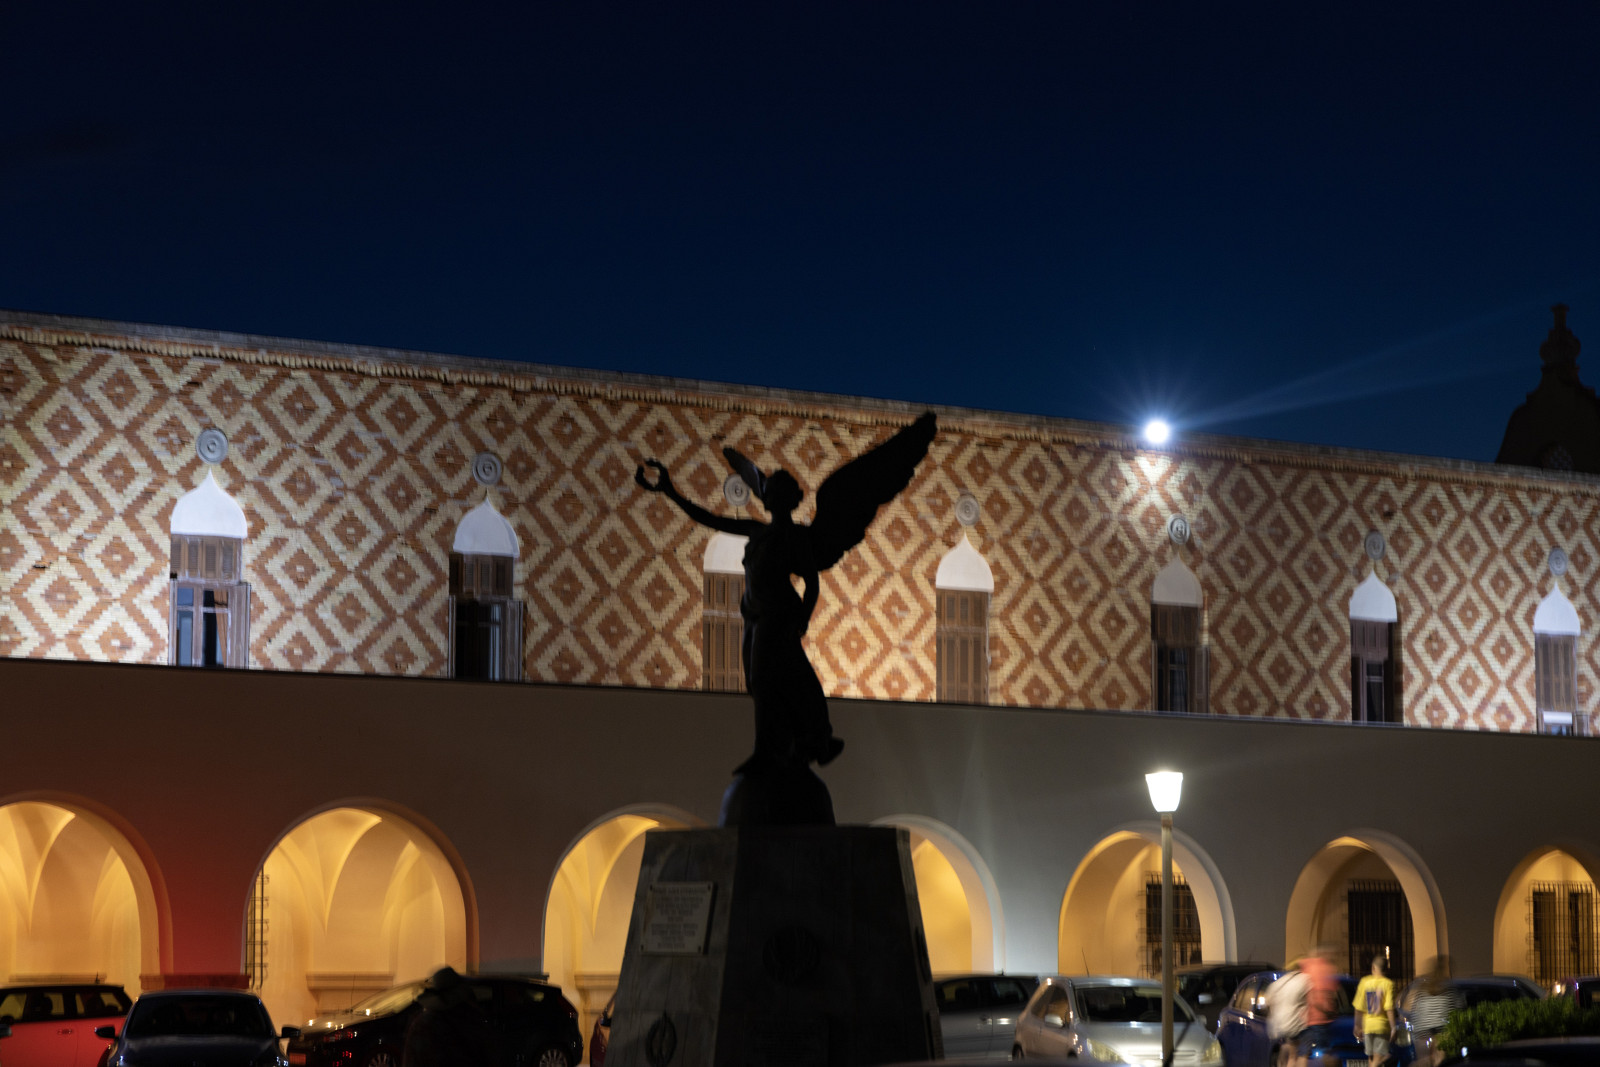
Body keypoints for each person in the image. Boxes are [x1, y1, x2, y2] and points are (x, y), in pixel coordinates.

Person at [1407, 955, 1464, 1066]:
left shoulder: (1422, 985)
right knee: (1440, 1060)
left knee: (1425, 1060)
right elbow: (1459, 1007)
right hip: (1442, 1027)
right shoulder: (1449, 987)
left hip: (1422, 1028)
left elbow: (1413, 1006)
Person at [1353, 956, 1398, 1067]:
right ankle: (1385, 1057)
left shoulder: (1364, 982)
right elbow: (1389, 1008)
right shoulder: (1388, 984)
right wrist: (1393, 1028)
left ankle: (1383, 1058)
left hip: (1367, 1027)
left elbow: (1359, 1007)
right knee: (1378, 1059)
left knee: (1371, 1059)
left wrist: (1357, 1025)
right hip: (1382, 1027)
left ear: (1373, 967)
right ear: (1386, 969)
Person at [1263, 961, 1310, 1067]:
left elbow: (1267, 1003)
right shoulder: (1304, 979)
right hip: (1297, 1025)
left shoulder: (1278, 983)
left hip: (1282, 1025)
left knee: (1291, 1053)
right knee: (1302, 1055)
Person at [1298, 944, 1338, 1063]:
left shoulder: (1305, 968)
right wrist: (1328, 1011)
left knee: (1303, 1054)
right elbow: (1324, 995)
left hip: (1304, 1020)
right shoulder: (1325, 969)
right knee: (1323, 1053)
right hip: (1319, 1020)